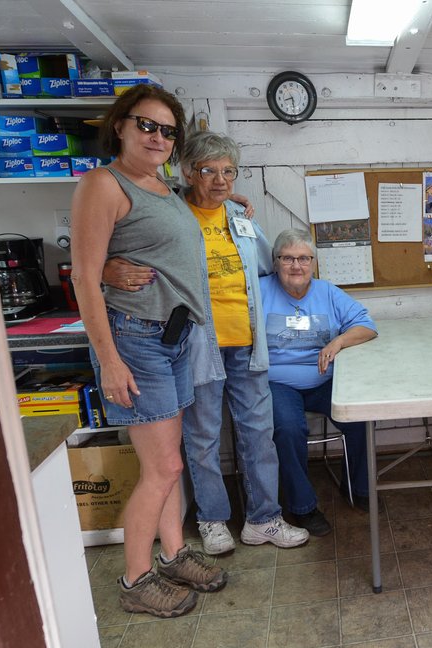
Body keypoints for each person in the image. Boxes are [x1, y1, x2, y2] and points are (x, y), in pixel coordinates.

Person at [102, 131, 309, 556]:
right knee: (202, 438)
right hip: (196, 346)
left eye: (228, 172)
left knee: (259, 435)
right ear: (188, 172)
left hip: (249, 345)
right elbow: (116, 255)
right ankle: (212, 520)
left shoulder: (241, 219)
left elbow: (269, 271)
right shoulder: (173, 213)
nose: (220, 181)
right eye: (208, 171)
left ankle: (263, 519)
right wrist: (108, 268)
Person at [70, 85, 226, 619]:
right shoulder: (104, 184)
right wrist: (108, 359)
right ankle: (136, 579)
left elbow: (165, 243)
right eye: (147, 125)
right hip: (134, 340)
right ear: (121, 126)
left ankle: (174, 553)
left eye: (167, 130)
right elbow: (85, 279)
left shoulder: (160, 187)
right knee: (160, 468)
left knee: (169, 464)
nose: (158, 137)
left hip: (173, 336)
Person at [259, 229, 378, 536]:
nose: (296, 266)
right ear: (275, 262)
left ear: (312, 262)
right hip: (279, 382)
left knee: (361, 415)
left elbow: (367, 327)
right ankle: (303, 508)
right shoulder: (259, 291)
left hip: (325, 379)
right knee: (287, 428)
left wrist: (338, 342)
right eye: (287, 258)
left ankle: (358, 487)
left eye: (303, 258)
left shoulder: (327, 292)